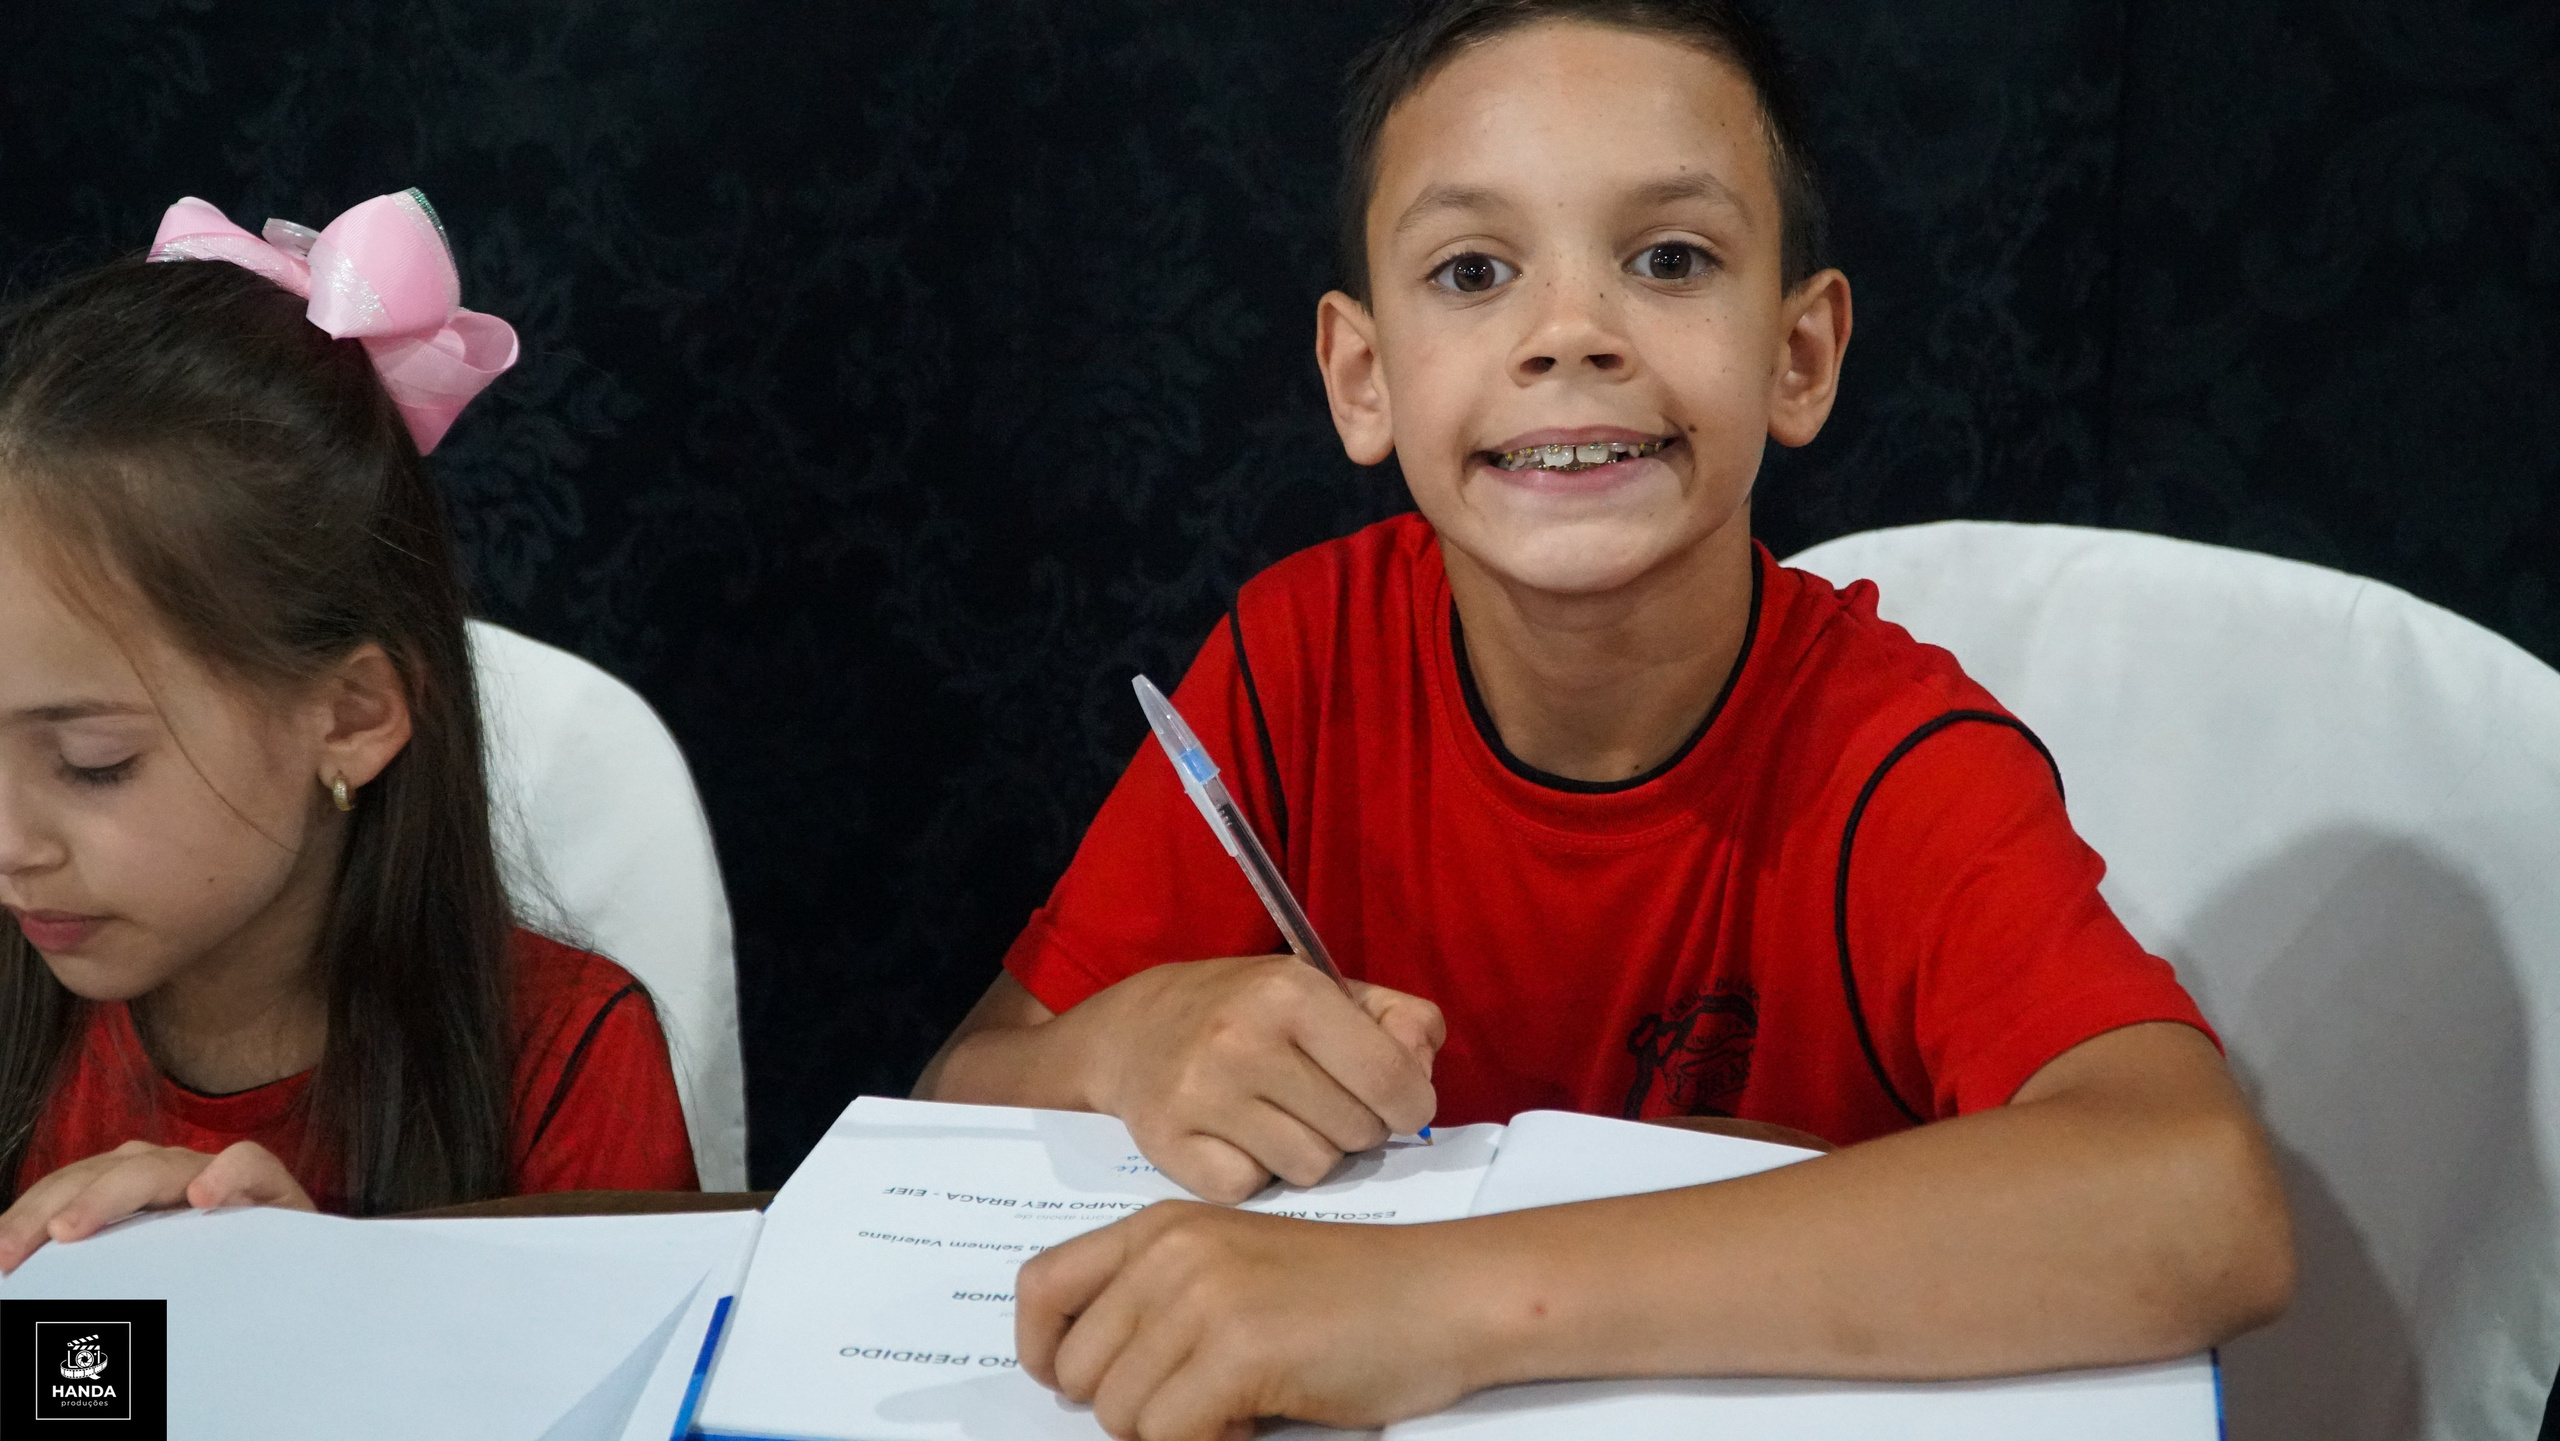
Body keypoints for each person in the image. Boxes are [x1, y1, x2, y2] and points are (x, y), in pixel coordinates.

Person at [914, 2, 2295, 1436]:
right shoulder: (1297, 661)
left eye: (1671, 259)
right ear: (1362, 375)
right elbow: (958, 1095)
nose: (1569, 333)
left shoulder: (1896, 763)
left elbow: (2203, 1198)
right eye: (1471, 270)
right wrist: (1123, 1048)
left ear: (1801, 354)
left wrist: (1436, 1303)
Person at [0, 191, 697, 1270]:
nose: (11, 842)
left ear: (352, 716)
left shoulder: (562, 1058)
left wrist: (325, 1311)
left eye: (95, 764)